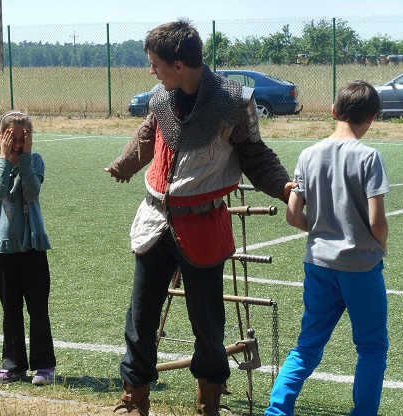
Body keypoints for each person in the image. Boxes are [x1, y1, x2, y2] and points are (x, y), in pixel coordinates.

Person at [105, 20, 295, 415]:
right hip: (155, 221)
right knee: (140, 318)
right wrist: (124, 164)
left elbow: (256, 156)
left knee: (208, 325)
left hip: (203, 224)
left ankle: (208, 401)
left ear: (179, 65)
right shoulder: (162, 96)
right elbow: (147, 135)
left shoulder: (234, 102)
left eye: (156, 64)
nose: (151, 71)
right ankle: (135, 397)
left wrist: (284, 187)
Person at [265, 81, 390, 416]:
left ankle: (277, 410)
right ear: (372, 118)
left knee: (307, 346)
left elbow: (293, 216)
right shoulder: (369, 157)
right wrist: (380, 244)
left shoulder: (308, 154)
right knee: (372, 348)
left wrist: (321, 230)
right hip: (361, 266)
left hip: (318, 263)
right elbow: (377, 220)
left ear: (334, 111)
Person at [0, 110, 56, 386]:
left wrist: (25, 156)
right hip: (5, 248)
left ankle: (44, 365)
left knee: (38, 309)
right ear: (1, 138)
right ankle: (13, 365)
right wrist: (5, 159)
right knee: (10, 310)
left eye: (22, 138)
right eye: (11, 138)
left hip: (32, 247)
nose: (16, 144)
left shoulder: (35, 161)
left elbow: (31, 192)